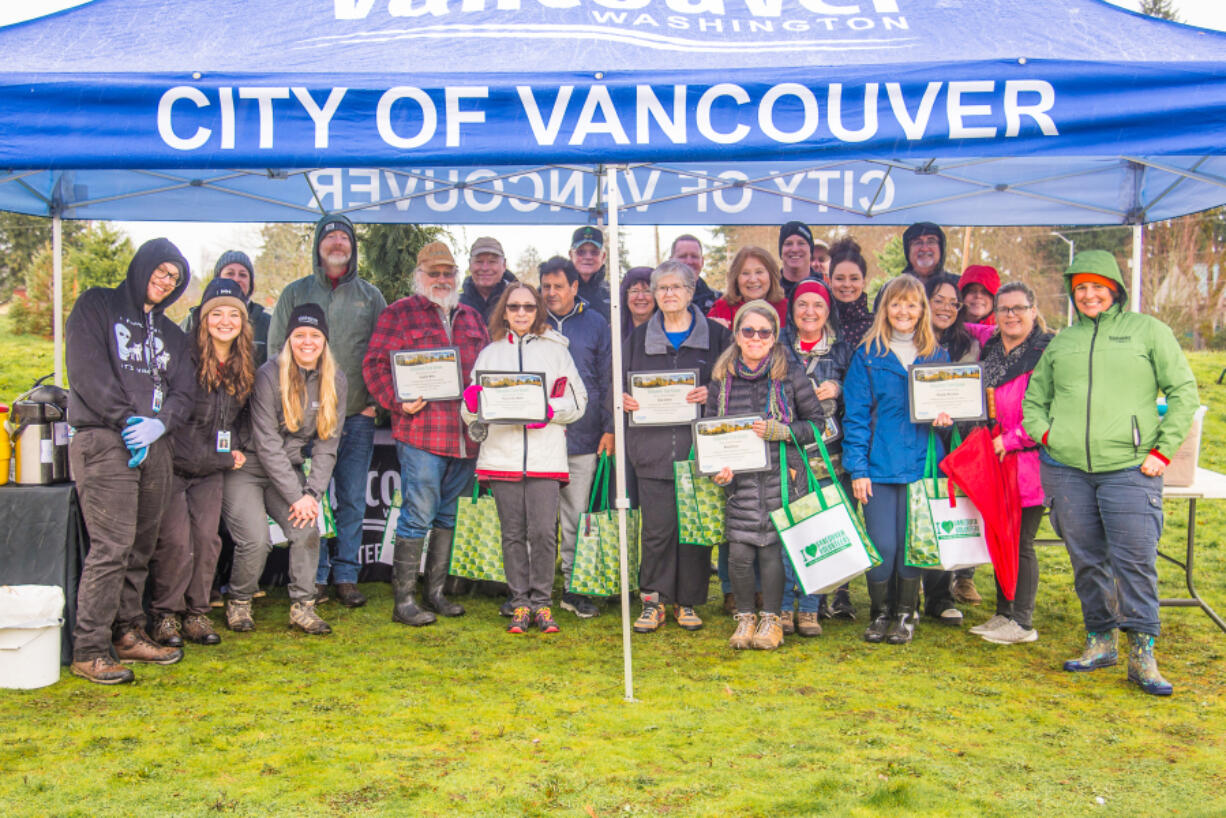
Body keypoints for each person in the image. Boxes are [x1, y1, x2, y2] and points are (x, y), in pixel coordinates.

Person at [1023, 250, 1198, 696]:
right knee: (1087, 560)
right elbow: (1033, 400)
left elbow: (1182, 391)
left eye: (1097, 286)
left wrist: (1163, 449)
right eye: (1080, 287)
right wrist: (1048, 437)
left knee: (1135, 561)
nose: (1088, 294)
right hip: (1067, 469)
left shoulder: (1148, 332)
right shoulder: (1063, 342)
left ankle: (1142, 651)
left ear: (1114, 287)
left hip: (1130, 467)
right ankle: (1100, 638)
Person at [65, 238, 195, 684]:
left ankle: (127, 633)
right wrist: (126, 420)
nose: (165, 281)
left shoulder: (173, 334)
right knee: (112, 547)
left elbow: (185, 391)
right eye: (161, 271)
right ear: (141, 267)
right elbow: (85, 371)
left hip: (155, 445)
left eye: (174, 278)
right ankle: (89, 648)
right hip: (103, 440)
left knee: (141, 546)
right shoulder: (96, 306)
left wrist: (159, 425)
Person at [362, 241, 490, 627]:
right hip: (421, 433)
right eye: (433, 273)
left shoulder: (471, 317)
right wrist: (397, 402)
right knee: (417, 515)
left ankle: (434, 594)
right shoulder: (398, 314)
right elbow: (374, 366)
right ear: (418, 276)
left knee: (448, 516)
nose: (441, 279)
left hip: (464, 436)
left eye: (447, 273)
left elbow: (484, 373)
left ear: (456, 276)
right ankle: (404, 601)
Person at [268, 214, 386, 609]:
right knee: (308, 495)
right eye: (330, 236)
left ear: (353, 248)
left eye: (344, 237)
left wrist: (373, 401)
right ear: (318, 245)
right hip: (303, 420)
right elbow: (274, 354)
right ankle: (314, 576)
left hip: (355, 415)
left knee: (351, 498)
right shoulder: (295, 293)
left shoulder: (370, 297)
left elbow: (382, 355)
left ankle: (346, 574)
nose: (337, 243)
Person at [461, 283, 588, 635]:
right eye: (514, 307)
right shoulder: (490, 354)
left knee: (545, 532)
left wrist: (548, 410)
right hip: (502, 456)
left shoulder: (556, 352)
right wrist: (472, 406)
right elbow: (471, 413)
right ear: (504, 311)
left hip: (545, 456)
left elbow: (579, 402)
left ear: (537, 312)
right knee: (513, 533)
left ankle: (543, 603)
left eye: (528, 307)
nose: (520, 313)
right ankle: (519, 604)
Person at [223, 304, 347, 636]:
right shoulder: (268, 374)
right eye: (300, 335)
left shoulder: (335, 380)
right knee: (255, 541)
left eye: (315, 336)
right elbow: (265, 442)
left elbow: (327, 445)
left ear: (325, 341)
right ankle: (238, 602)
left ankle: (303, 608)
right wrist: (297, 495)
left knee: (306, 530)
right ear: (289, 338)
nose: (307, 342)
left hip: (288, 471)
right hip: (248, 468)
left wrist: (311, 495)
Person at [622, 260, 732, 634]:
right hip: (650, 451)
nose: (669, 294)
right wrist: (624, 399)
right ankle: (653, 600)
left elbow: (736, 385)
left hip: (699, 452)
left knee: (694, 530)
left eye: (676, 287)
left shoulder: (717, 337)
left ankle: (688, 602)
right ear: (653, 295)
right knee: (658, 530)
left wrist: (711, 391)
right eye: (662, 288)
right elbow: (617, 384)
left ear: (690, 291)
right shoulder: (637, 339)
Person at [708, 301, 825, 650]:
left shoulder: (790, 371)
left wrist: (782, 431)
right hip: (739, 480)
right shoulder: (722, 376)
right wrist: (717, 468)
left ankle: (771, 621)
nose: (756, 337)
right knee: (740, 551)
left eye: (764, 332)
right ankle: (745, 619)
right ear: (737, 334)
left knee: (772, 550)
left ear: (774, 336)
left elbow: (817, 425)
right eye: (749, 331)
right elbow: (710, 432)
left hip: (781, 475)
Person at [843, 275, 953, 646]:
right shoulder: (868, 355)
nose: (903, 311)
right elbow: (855, 417)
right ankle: (880, 614)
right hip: (878, 466)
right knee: (882, 546)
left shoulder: (937, 356)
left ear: (922, 310)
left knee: (911, 544)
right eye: (896, 304)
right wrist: (858, 468)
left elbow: (951, 407)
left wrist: (946, 417)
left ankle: (905, 614)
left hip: (923, 464)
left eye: (911, 304)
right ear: (885, 309)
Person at [147, 279, 255, 648]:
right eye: (217, 313)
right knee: (176, 541)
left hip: (212, 468)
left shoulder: (244, 361)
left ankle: (196, 612)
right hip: (174, 463)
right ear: (204, 317)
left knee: (207, 541)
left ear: (243, 320)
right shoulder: (184, 355)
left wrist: (237, 445)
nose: (225, 321)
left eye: (233, 314)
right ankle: (165, 616)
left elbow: (243, 416)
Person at [967, 282, 1052, 645]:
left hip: (1028, 461)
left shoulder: (1047, 353)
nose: (1011, 315)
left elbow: (1051, 412)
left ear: (1033, 311)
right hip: (995, 456)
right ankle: (1004, 612)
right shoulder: (992, 349)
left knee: (1021, 542)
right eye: (1004, 309)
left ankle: (1022, 620)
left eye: (1019, 308)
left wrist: (1014, 438)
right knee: (1000, 536)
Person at [540, 256, 614, 620]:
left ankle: (573, 588)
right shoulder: (529, 323)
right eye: (546, 286)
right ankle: (532, 592)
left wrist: (610, 428)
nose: (551, 293)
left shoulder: (596, 323)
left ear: (574, 287)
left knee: (575, 517)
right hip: (537, 438)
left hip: (584, 438)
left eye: (558, 286)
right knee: (537, 519)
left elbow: (607, 379)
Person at [778, 280, 852, 635]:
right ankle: (781, 608)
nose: (810, 311)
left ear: (828, 311)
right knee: (786, 532)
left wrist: (838, 388)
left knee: (819, 530)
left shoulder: (841, 350)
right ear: (792, 310)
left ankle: (810, 606)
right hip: (787, 455)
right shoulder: (777, 345)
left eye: (818, 306)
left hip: (827, 457)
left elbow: (860, 395)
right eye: (802, 304)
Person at [922, 272, 980, 624]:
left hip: (953, 441)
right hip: (915, 438)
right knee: (918, 512)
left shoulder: (966, 344)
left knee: (945, 512)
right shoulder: (910, 339)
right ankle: (908, 590)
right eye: (938, 300)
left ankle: (940, 595)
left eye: (953, 302)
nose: (946, 307)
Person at [182, 251, 273, 366]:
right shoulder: (193, 321)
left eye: (243, 275)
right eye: (230, 273)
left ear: (251, 283)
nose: (236, 279)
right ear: (217, 278)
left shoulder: (267, 323)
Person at [706, 246, 788, 329]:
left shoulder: (787, 310)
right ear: (736, 278)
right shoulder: (721, 310)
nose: (752, 279)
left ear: (771, 275)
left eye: (759, 272)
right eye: (745, 273)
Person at [828, 237, 875, 350]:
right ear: (830, 281)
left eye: (854, 279)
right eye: (840, 278)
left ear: (863, 282)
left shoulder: (875, 327)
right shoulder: (819, 322)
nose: (847, 284)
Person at [458, 236, 517, 322]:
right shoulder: (456, 306)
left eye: (492, 261)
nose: (485, 268)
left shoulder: (519, 304)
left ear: (504, 265)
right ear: (470, 265)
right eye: (479, 261)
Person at [569, 225, 611, 322]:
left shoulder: (612, 295)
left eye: (594, 252)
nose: (588, 257)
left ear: (603, 256)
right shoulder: (558, 291)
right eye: (581, 252)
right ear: (571, 255)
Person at [669, 233, 721, 314]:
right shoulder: (657, 301)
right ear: (671, 261)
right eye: (682, 256)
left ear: (702, 261)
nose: (689, 261)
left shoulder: (719, 301)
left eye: (694, 256)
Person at [900, 222, 952, 289]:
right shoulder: (893, 287)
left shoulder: (958, 285)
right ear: (908, 250)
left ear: (941, 248)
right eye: (917, 242)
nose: (925, 248)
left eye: (931, 241)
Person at [778, 221, 819, 301]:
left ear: (810, 250)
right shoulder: (771, 286)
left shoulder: (826, 284)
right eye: (788, 244)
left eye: (801, 243)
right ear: (781, 251)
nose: (795, 249)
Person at [620, 265, 656, 341]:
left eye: (647, 291)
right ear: (626, 296)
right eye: (634, 291)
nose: (640, 297)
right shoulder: (613, 332)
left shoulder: (669, 330)